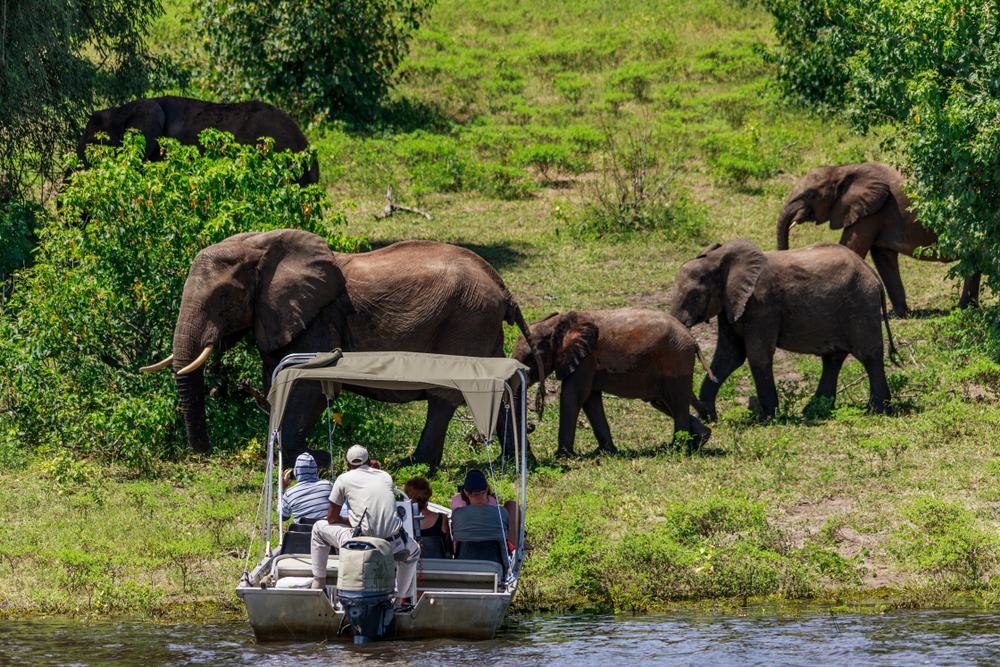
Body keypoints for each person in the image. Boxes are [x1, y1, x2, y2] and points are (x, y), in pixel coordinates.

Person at [310, 445, 421, 602]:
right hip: (393, 544)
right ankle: (399, 601)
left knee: (318, 529)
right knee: (414, 552)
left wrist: (350, 522)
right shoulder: (385, 477)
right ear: (369, 460)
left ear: (348, 465)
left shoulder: (343, 479)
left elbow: (331, 519)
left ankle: (319, 584)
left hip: (360, 543)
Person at [451, 470, 511, 563]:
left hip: (463, 567)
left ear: (466, 492)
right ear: (486, 489)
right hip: (496, 568)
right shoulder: (501, 513)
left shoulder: (457, 514)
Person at [404, 477, 451, 558]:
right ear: (428, 494)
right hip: (438, 567)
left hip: (411, 567)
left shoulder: (403, 521)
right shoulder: (442, 519)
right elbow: (448, 547)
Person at [280, 453, 333, 521]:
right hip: (325, 530)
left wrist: (282, 488)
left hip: (302, 531)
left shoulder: (290, 493)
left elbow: (283, 516)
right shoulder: (328, 485)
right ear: (315, 470)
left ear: (296, 471)